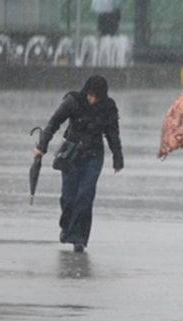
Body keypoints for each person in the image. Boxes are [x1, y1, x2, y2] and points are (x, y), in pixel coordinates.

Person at [33, 75, 123, 253]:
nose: (92, 99)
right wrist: (41, 147)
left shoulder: (108, 108)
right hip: (71, 155)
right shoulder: (73, 101)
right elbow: (54, 123)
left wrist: (118, 158)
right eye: (90, 95)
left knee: (85, 195)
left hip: (94, 156)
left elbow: (113, 134)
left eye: (96, 97)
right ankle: (67, 227)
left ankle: (79, 238)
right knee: (68, 197)